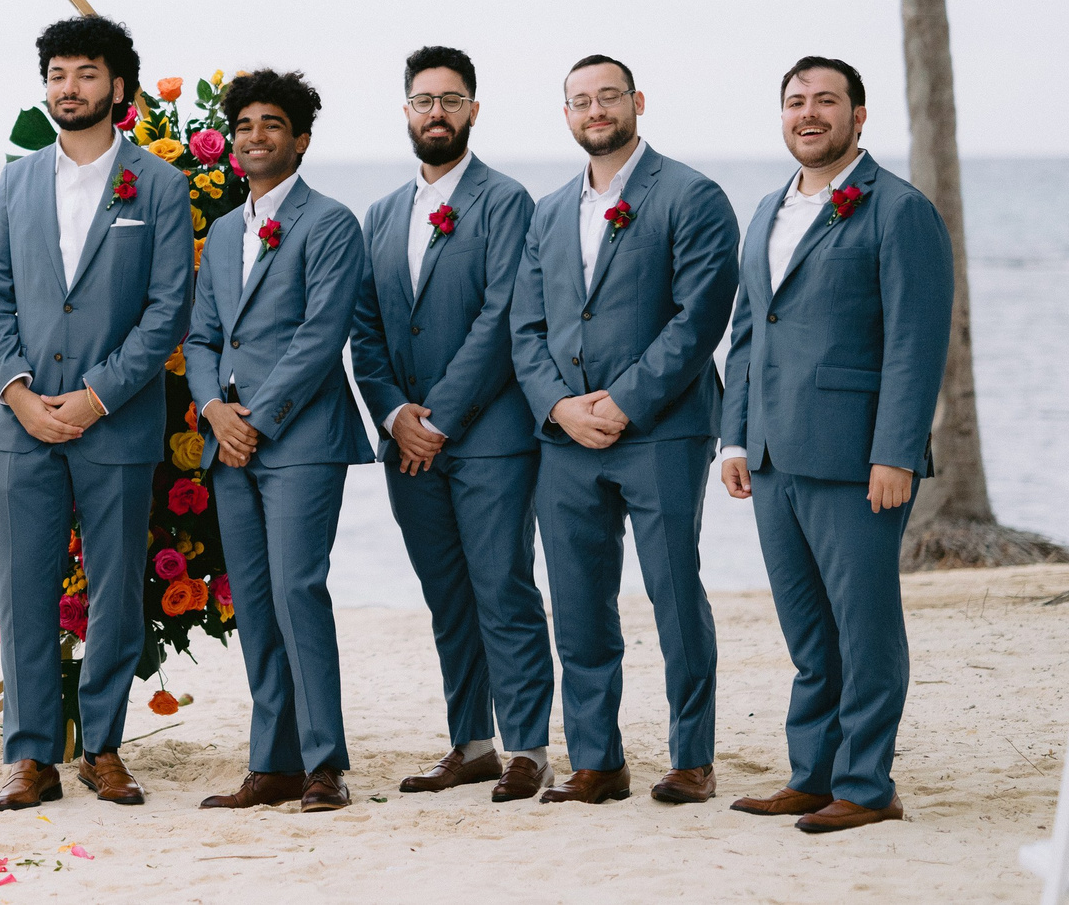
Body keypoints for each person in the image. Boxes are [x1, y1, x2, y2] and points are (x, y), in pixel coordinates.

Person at [719, 57, 952, 834]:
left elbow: (916, 341)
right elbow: (748, 332)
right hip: (772, 457)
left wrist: (896, 452)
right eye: (796, 101)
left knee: (865, 625)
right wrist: (733, 438)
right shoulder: (768, 209)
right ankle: (812, 776)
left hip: (858, 458)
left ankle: (866, 784)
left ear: (859, 115)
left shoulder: (900, 210)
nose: (809, 113)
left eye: (826, 100)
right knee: (809, 632)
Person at [0, 16, 193, 814]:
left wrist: (98, 394)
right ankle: (31, 757)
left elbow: (168, 310)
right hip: (22, 423)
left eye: (86, 73)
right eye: (58, 73)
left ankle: (102, 748)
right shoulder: (16, 181)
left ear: (118, 87)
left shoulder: (158, 186)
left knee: (116, 596)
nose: (69, 87)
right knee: (22, 594)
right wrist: (17, 392)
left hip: (117, 423)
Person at [509, 55, 740, 808]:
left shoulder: (692, 195)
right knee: (577, 604)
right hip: (564, 439)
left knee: (674, 594)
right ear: (566, 115)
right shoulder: (547, 212)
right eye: (581, 101)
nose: (596, 110)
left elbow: (700, 317)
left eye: (608, 96)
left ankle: (692, 758)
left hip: (663, 431)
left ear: (637, 101)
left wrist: (626, 402)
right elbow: (526, 326)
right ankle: (597, 762)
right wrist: (559, 406)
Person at [346, 48, 554, 803]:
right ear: (406, 110)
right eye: (425, 100)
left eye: (452, 100)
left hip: (491, 436)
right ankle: (471, 744)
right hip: (407, 446)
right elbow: (364, 327)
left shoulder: (506, 200)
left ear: (473, 110)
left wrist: (437, 417)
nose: (437, 112)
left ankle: (528, 746)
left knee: (503, 588)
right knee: (447, 596)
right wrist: (394, 414)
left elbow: (503, 317)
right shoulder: (380, 215)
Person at [185, 69, 373, 815]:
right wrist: (214, 411)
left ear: (300, 139)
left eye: (272, 124)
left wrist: (255, 420)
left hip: (300, 439)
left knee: (298, 591)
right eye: (244, 125)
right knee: (255, 603)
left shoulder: (330, 223)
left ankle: (325, 764)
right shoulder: (224, 232)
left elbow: (321, 337)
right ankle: (274, 764)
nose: (255, 136)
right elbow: (202, 337)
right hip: (229, 441)